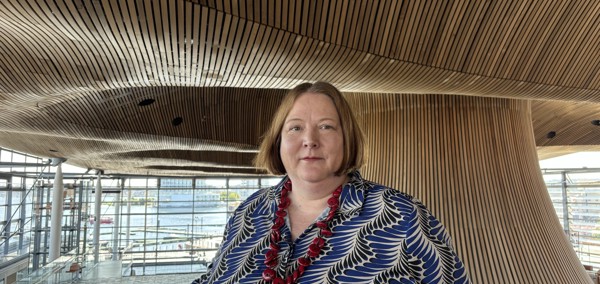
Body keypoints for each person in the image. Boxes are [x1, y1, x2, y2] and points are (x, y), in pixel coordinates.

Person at [192, 82, 470, 283]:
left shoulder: (403, 216)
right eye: (296, 127)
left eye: (326, 126)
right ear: (278, 141)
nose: (310, 139)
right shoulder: (249, 212)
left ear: (347, 139)